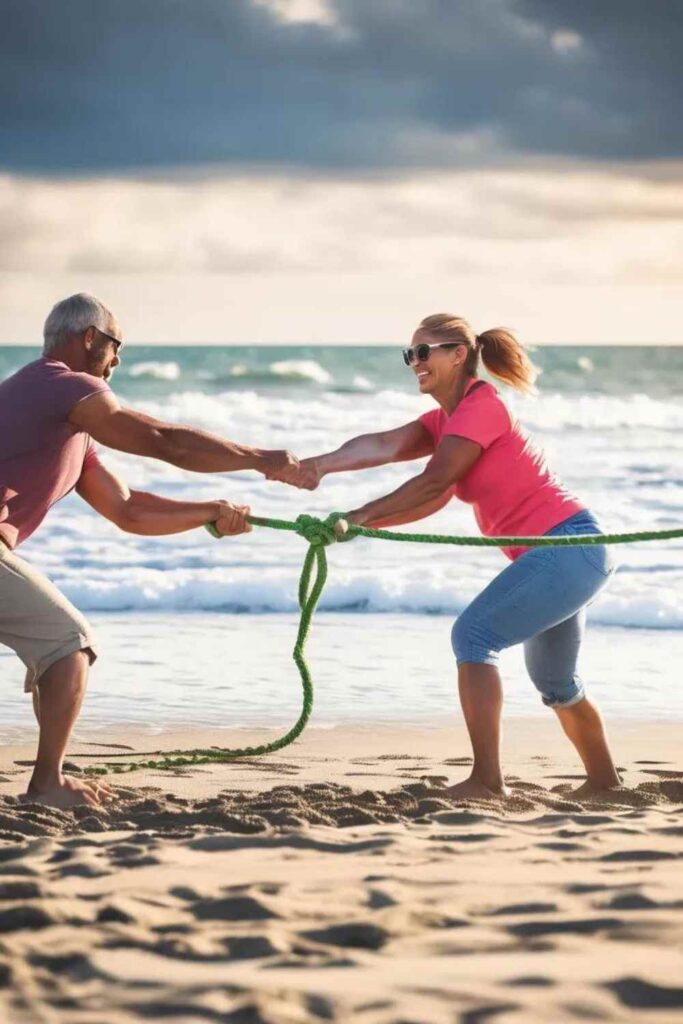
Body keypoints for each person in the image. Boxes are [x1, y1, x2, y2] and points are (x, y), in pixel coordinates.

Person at [277, 313, 620, 801]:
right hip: (566, 555)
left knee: (474, 636)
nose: (414, 362)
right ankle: (606, 783)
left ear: (458, 355)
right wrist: (319, 468)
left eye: (424, 352)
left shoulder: (483, 408)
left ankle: (486, 781)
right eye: (409, 354)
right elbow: (388, 446)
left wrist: (357, 516)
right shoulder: (446, 422)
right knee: (557, 682)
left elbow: (434, 483)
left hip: (569, 548)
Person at [0, 293, 298, 809]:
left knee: (56, 646)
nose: (117, 361)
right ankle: (47, 783)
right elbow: (164, 440)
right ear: (90, 337)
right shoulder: (61, 383)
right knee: (66, 644)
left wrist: (210, 511)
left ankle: (50, 776)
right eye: (116, 346)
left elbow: (129, 509)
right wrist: (258, 458)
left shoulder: (70, 425)